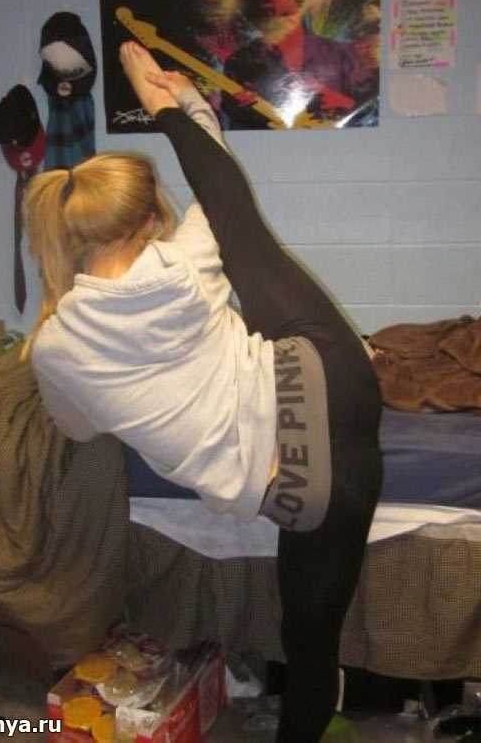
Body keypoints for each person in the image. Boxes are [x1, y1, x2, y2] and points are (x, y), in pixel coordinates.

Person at [23, 41, 382, 742]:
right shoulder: (186, 256)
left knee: (308, 634)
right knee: (235, 222)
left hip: (299, 486)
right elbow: (218, 181)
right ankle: (165, 106)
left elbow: (74, 428)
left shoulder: (55, 350)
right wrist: (176, 102)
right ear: (151, 217)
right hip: (328, 368)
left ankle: (306, 718)